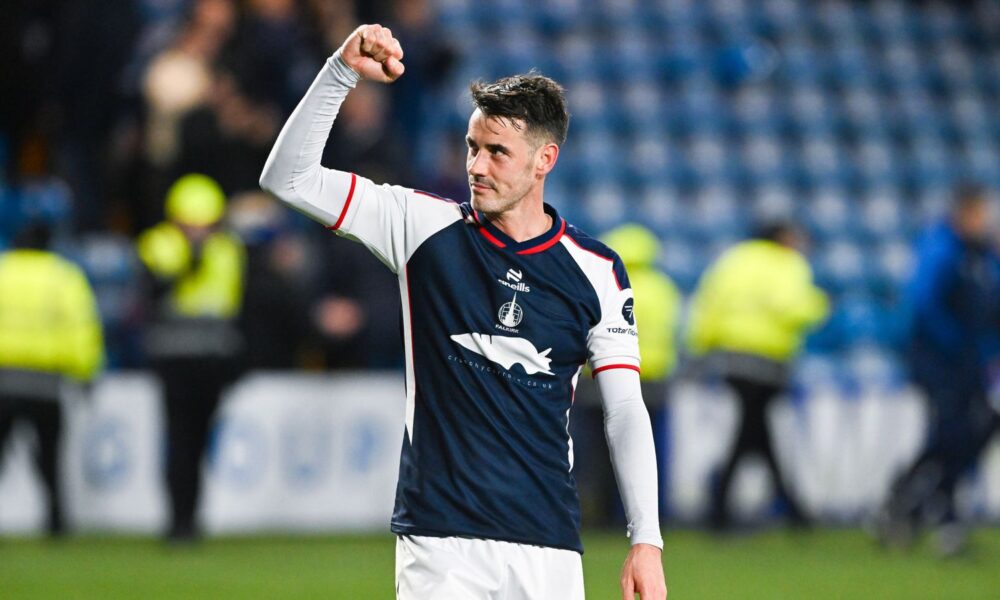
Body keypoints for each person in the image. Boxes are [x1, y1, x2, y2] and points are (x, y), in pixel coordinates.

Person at [260, 24, 666, 600]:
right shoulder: (420, 225)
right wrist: (340, 71)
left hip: (548, 545)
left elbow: (624, 408)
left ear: (544, 159)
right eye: (473, 147)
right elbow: (288, 178)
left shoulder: (597, 270)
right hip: (440, 544)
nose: (477, 165)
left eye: (498, 152)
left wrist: (645, 539)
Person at [877, 185, 1000, 556]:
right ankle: (936, 515)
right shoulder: (941, 249)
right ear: (963, 213)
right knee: (953, 432)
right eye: (980, 213)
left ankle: (910, 501)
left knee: (970, 432)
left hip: (970, 363)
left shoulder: (979, 256)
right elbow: (925, 304)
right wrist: (957, 345)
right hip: (941, 362)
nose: (986, 221)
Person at [687, 221, 828, 531]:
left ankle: (779, 508)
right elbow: (791, 308)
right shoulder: (787, 264)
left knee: (754, 430)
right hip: (767, 361)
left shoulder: (732, 261)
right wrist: (820, 305)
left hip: (732, 358)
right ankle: (731, 510)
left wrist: (702, 347)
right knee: (752, 432)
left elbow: (707, 306)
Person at [136, 173, 246, 542]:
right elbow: (150, 298)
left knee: (200, 442)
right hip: (174, 359)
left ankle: (192, 518)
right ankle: (177, 521)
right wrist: (186, 265)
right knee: (180, 441)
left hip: (212, 361)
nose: (199, 233)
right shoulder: (157, 246)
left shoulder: (229, 249)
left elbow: (236, 307)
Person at [572, 224, 681, 526]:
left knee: (596, 451)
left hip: (599, 378)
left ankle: (597, 514)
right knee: (645, 449)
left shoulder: (597, 280)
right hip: (651, 378)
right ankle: (645, 516)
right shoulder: (663, 287)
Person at [0, 221, 104, 535]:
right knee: (49, 458)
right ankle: (56, 522)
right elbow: (81, 328)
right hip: (45, 383)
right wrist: (86, 372)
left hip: (3, 381)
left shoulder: (3, 271)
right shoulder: (63, 277)